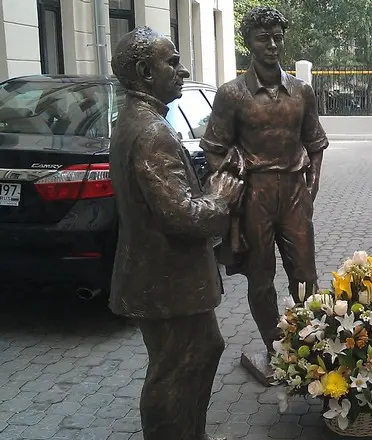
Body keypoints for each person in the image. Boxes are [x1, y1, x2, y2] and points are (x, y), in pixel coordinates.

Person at [108, 26, 243, 440]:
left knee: (202, 352)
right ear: (146, 71)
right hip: (167, 279)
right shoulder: (151, 132)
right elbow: (183, 216)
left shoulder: (140, 120)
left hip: (166, 275)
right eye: (173, 62)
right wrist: (220, 197)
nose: (183, 71)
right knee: (175, 366)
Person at [200, 6, 329, 384]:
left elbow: (316, 142)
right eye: (263, 38)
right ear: (248, 43)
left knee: (305, 273)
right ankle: (276, 350)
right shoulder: (232, 94)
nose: (272, 45)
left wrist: (313, 183)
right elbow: (213, 147)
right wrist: (231, 182)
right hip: (254, 193)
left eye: (277, 38)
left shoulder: (302, 91)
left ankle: (310, 345)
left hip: (293, 191)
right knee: (261, 277)